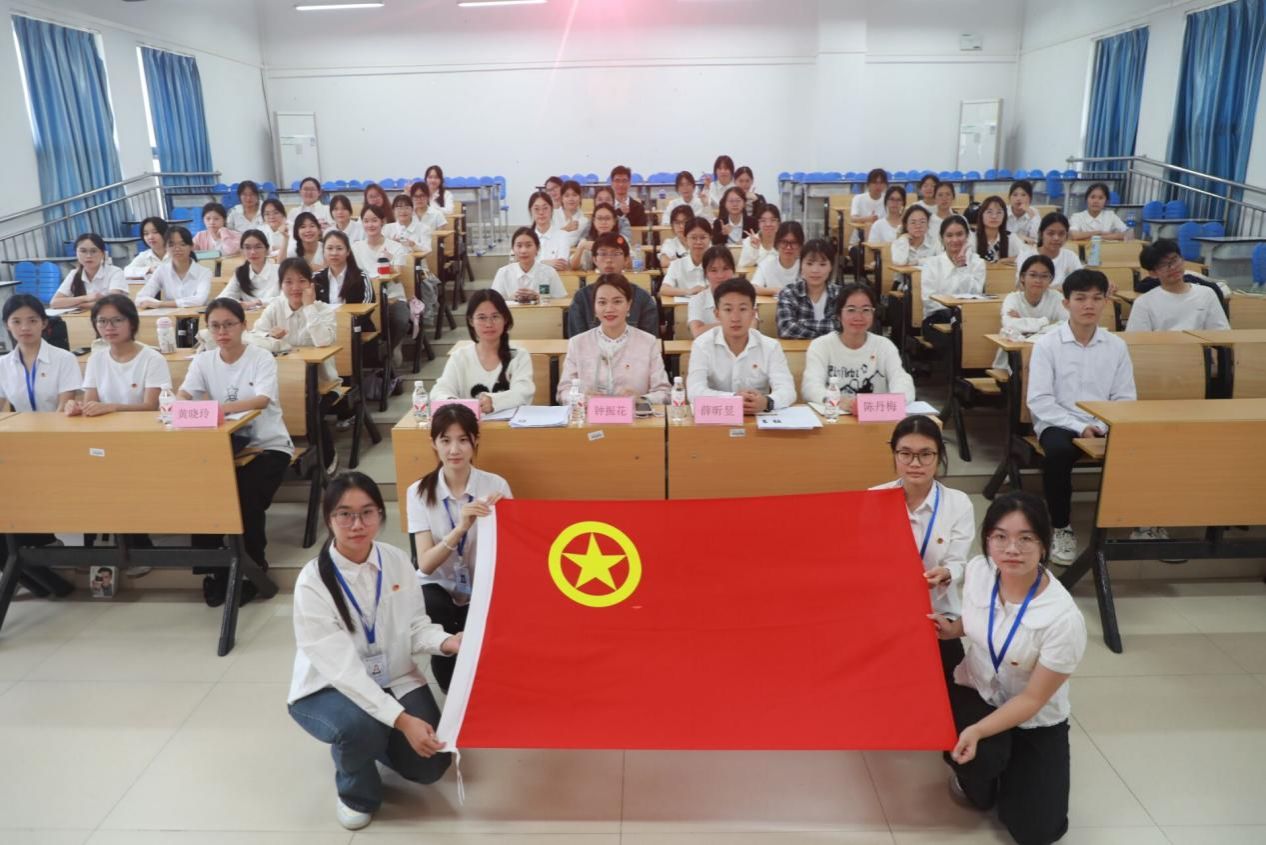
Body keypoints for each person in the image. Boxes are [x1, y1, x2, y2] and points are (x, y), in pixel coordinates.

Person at [289, 472, 460, 831]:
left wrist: (448, 642)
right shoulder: (312, 582)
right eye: (345, 514)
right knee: (358, 727)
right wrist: (403, 720)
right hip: (329, 687)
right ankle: (355, 792)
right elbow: (345, 673)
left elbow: (415, 627)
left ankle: (374, 736)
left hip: (393, 677)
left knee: (431, 765)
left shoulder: (396, 560)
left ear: (381, 514)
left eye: (367, 512)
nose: (357, 525)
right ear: (329, 519)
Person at [929, 491, 1086, 845]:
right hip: (976, 690)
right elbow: (975, 622)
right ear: (987, 540)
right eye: (1000, 536)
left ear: (1044, 545)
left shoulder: (1063, 618)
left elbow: (1032, 699)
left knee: (1037, 832)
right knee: (980, 773)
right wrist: (951, 629)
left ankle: (1006, 758)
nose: (1011, 549)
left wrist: (977, 731)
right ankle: (984, 771)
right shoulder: (979, 571)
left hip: (1032, 715)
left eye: (1025, 538)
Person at [181, 297, 293, 606]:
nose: (222, 332)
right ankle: (213, 569)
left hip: (267, 445)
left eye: (229, 324)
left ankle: (252, 571)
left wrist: (215, 409)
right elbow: (184, 395)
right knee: (202, 492)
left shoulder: (261, 357)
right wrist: (184, 405)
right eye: (215, 326)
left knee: (244, 495)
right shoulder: (203, 361)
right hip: (222, 447)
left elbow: (261, 400)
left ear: (243, 325)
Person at [1027, 270, 1135, 565]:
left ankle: (1142, 520)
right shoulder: (1047, 344)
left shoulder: (1116, 346)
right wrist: (1080, 426)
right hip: (1059, 422)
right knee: (1058, 453)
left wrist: (1100, 424)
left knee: (1141, 446)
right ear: (1066, 303)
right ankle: (1061, 526)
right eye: (1081, 298)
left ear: (1105, 302)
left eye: (1097, 298)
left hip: (1106, 422)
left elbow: (1125, 397)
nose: (1089, 305)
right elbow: (1040, 400)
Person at [406, 404, 510, 690]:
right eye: (445, 440)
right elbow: (425, 565)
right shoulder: (418, 492)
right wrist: (460, 528)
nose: (454, 450)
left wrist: (505, 517)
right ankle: (447, 666)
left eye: (463, 440)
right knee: (434, 608)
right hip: (438, 585)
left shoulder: (496, 485)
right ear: (433, 443)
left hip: (481, 584)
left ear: (475, 441)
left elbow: (509, 554)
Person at [872, 415, 974, 682]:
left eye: (926, 454)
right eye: (905, 454)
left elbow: (958, 561)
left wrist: (947, 573)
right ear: (894, 454)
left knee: (948, 690)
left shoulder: (958, 503)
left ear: (939, 456)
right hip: (885, 616)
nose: (915, 463)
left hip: (936, 617)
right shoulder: (873, 499)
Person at [252, 258, 341, 474]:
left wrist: (309, 307)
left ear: (311, 284)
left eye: (302, 281)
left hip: (322, 384)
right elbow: (253, 336)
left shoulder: (324, 310)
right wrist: (269, 336)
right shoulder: (275, 308)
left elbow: (323, 341)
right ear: (281, 285)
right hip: (284, 384)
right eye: (288, 282)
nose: (295, 288)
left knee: (312, 410)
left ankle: (327, 457)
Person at [686, 277, 794, 414]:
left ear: (753, 313)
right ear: (717, 314)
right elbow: (694, 391)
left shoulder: (770, 347)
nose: (735, 318)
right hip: (718, 418)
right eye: (728, 309)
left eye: (743, 309)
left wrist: (767, 402)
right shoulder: (702, 345)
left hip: (757, 418)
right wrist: (734, 399)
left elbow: (788, 390)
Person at [557, 273, 670, 403]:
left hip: (634, 414)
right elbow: (563, 392)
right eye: (602, 302)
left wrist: (641, 399)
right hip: (590, 414)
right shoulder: (578, 343)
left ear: (628, 305)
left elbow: (664, 393)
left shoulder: (648, 342)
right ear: (594, 307)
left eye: (617, 301)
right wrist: (583, 399)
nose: (609, 309)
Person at [802, 281, 914, 408]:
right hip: (835, 415)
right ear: (838, 315)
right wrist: (837, 401)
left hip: (875, 416)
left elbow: (902, 381)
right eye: (851, 310)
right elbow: (810, 387)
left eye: (866, 310)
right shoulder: (821, 346)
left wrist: (890, 402)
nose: (858, 317)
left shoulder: (884, 346)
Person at [65, 294, 170, 417]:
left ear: (132, 323)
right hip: (104, 426)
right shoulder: (95, 359)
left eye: (117, 320)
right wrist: (78, 407)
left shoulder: (153, 359)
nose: (109, 327)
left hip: (140, 425)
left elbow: (150, 406)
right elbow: (90, 404)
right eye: (102, 321)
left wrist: (112, 407)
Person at [432, 289, 534, 412]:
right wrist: (452, 402)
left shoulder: (519, 356)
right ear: (471, 321)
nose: (489, 324)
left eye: (495, 316)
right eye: (482, 318)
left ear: (505, 319)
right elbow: (439, 391)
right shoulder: (460, 357)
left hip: (510, 423)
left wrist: (494, 402)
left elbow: (523, 393)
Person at [565, 232, 660, 337]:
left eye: (616, 254)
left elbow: (649, 341)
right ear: (594, 259)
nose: (609, 260)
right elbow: (578, 341)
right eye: (603, 254)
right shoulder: (581, 298)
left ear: (626, 259)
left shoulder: (643, 298)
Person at [1127, 239, 1229, 332]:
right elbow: (1138, 342)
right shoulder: (1143, 304)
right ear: (1153, 273)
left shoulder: (1207, 294)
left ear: (1182, 259)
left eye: (1175, 260)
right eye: (1163, 265)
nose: (1172, 267)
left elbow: (1221, 334)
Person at [0, 294, 80, 411]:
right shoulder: (2, 364)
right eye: (16, 322)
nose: (25, 327)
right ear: (7, 325)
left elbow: (64, 408)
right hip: (19, 423)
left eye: (32, 321)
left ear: (44, 323)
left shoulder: (65, 359)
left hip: (57, 422)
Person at [352, 205, 413, 358]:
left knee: (400, 319)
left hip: (392, 296)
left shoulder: (396, 247)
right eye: (366, 221)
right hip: (366, 299)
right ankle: (373, 356)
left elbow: (398, 276)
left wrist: (389, 262)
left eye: (374, 220)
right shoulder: (356, 248)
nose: (370, 225)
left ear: (383, 222)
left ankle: (390, 349)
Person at [993, 254, 1066, 371]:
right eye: (1032, 275)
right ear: (1022, 277)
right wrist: (1047, 322)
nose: (1038, 280)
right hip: (1012, 364)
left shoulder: (1056, 298)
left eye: (1044, 276)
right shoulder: (1012, 299)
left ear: (1051, 279)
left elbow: (1067, 325)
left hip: (1048, 356)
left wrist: (1024, 324)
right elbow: (1009, 324)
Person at [920, 216, 986, 331]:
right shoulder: (932, 264)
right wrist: (954, 311)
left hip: (969, 318)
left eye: (959, 234)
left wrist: (962, 268)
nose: (955, 240)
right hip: (937, 318)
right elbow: (928, 300)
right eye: (949, 235)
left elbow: (976, 294)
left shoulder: (977, 263)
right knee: (956, 334)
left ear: (967, 236)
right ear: (942, 238)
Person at [776, 238, 840, 339]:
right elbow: (786, 329)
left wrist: (800, 323)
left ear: (831, 267)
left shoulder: (840, 294)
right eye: (809, 264)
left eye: (822, 264)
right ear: (801, 265)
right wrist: (825, 337)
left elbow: (843, 327)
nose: (815, 270)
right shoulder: (789, 293)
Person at [135, 226, 212, 308]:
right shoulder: (162, 270)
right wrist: (154, 303)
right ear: (166, 248)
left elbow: (199, 300)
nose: (177, 249)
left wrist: (160, 304)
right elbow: (140, 298)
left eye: (182, 244)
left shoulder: (204, 272)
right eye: (171, 245)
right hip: (169, 315)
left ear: (191, 246)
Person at [491, 226, 567, 303]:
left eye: (528, 245)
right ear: (513, 249)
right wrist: (511, 299)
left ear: (537, 248)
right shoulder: (503, 273)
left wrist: (539, 298)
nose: (523, 251)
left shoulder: (549, 272)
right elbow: (494, 303)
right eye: (519, 246)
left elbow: (561, 302)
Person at [50, 233, 127, 309]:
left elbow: (113, 302)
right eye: (83, 251)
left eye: (93, 251)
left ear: (103, 254)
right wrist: (86, 298)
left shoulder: (115, 272)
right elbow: (54, 303)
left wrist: (79, 304)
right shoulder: (74, 274)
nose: (88, 256)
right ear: (76, 253)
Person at [1017, 213, 1082, 289]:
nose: (1056, 238)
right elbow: (1022, 285)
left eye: (1061, 234)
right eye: (1051, 233)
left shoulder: (1071, 256)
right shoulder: (1026, 255)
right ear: (1041, 234)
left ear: (1066, 236)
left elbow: (1080, 283)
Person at [687, 245, 739, 337]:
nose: (720, 276)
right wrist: (733, 324)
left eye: (725, 269)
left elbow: (751, 328)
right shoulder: (697, 300)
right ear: (705, 274)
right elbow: (697, 332)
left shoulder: (745, 297)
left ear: (733, 270)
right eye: (713, 270)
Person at [221, 229, 280, 308]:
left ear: (267, 250)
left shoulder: (280, 271)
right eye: (247, 248)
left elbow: (286, 299)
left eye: (258, 247)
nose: (253, 252)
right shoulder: (240, 272)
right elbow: (223, 297)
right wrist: (239, 304)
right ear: (242, 251)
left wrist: (258, 302)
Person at [317, 230, 374, 307]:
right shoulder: (317, 278)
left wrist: (347, 315)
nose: (334, 253)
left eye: (339, 248)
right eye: (330, 248)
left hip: (354, 315)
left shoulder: (361, 277)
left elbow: (368, 305)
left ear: (348, 252)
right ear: (323, 251)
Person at [660, 218, 713, 298]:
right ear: (686, 239)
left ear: (710, 238)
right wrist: (689, 291)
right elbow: (664, 289)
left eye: (703, 238)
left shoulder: (717, 264)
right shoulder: (676, 264)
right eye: (693, 238)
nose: (698, 242)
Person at [750, 220, 803, 295]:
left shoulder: (805, 265)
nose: (788, 247)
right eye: (784, 242)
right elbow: (753, 288)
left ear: (800, 245)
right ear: (777, 243)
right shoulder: (767, 264)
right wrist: (776, 291)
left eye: (793, 242)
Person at [526, 190, 570, 271]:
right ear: (530, 211)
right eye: (536, 209)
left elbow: (561, 265)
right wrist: (545, 263)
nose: (541, 212)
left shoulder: (563, 235)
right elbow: (522, 264)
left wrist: (533, 263)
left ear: (552, 210)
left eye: (545, 208)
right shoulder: (525, 237)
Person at [570, 202, 621, 271]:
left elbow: (630, 265)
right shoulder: (586, 242)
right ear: (594, 221)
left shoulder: (621, 240)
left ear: (614, 221)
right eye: (599, 218)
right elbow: (574, 267)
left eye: (607, 218)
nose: (603, 222)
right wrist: (581, 248)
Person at [974, 196, 1022, 264]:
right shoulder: (973, 237)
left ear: (1004, 216)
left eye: (999, 212)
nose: (994, 216)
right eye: (989, 212)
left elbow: (1027, 255)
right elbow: (967, 258)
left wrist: (1005, 260)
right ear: (982, 215)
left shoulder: (1010, 237)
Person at [849, 168, 888, 244]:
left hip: (882, 241)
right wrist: (867, 219)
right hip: (859, 241)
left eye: (881, 183)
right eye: (875, 183)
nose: (878, 186)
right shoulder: (858, 198)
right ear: (868, 184)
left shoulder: (888, 199)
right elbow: (853, 219)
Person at [738, 204, 781, 270]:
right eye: (763, 220)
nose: (768, 224)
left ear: (779, 223)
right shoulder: (750, 241)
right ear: (758, 223)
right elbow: (742, 266)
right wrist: (754, 249)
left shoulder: (785, 241)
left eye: (773, 220)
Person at [553, 179, 588, 249]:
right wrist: (566, 229)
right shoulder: (552, 214)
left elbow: (569, 242)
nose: (571, 199)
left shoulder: (584, 220)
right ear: (562, 198)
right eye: (567, 195)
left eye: (574, 195)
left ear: (580, 198)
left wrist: (557, 233)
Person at [658, 204, 695, 269]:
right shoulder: (670, 243)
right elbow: (664, 262)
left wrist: (675, 261)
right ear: (672, 225)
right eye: (677, 223)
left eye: (685, 222)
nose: (681, 226)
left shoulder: (701, 241)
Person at [1007, 180, 1041, 244]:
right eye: (1015, 195)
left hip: (1027, 248)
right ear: (1009, 198)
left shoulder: (1033, 212)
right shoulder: (1003, 212)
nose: (1018, 198)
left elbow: (1036, 237)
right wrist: (1019, 237)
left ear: (1030, 198)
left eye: (1023, 195)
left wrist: (1031, 215)